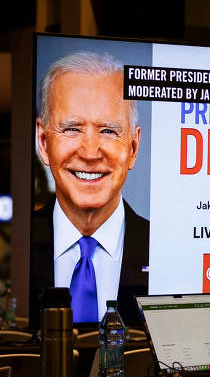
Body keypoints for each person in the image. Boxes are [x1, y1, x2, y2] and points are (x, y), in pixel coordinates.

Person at [30, 51, 148, 326]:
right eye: (72, 128)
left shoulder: (166, 250)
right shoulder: (18, 250)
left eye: (108, 130)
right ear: (44, 142)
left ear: (133, 147)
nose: (90, 152)